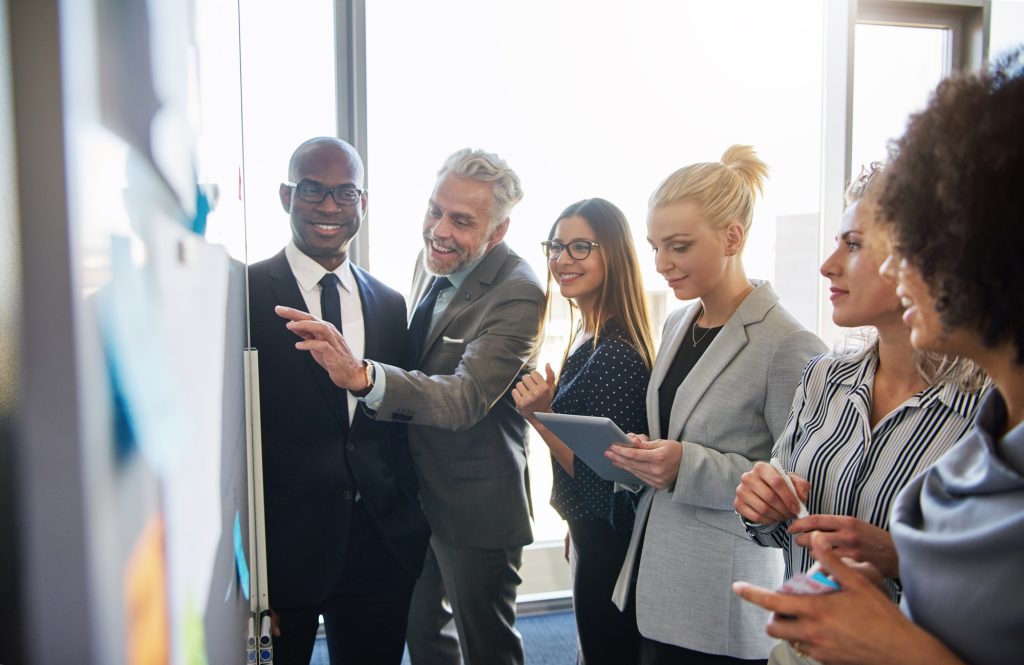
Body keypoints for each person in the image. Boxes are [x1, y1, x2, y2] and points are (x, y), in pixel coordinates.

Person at [732, 49, 1024, 665]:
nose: (898, 264)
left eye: (895, 245)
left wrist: (895, 621)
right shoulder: (832, 379)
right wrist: (766, 502)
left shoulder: (977, 413)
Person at [276, 148, 545, 665]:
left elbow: (464, 397)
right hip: (415, 501)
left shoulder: (519, 292)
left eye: (461, 220)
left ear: (498, 229)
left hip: (476, 507)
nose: (438, 229)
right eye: (434, 210)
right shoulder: (435, 263)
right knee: (424, 636)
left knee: (487, 646)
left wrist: (363, 377)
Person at [605, 145, 827, 664]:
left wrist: (685, 465)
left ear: (733, 236)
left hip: (722, 591)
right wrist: (649, 455)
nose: (661, 264)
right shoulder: (678, 323)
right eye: (655, 247)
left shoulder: (785, 342)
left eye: (678, 247)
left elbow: (796, 483)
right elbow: (677, 431)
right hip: (656, 574)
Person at [247, 137, 430, 664]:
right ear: (286, 197)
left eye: (345, 193)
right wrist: (249, 573)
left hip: (379, 549)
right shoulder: (245, 293)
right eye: (312, 191)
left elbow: (399, 422)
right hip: (282, 555)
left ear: (363, 204)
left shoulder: (390, 304)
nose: (329, 207)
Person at [512, 198, 654, 664]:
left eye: (580, 247)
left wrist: (539, 413)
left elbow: (607, 472)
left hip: (610, 543)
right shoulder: (588, 333)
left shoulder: (614, 351)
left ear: (612, 254)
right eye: (556, 246)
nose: (562, 260)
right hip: (591, 530)